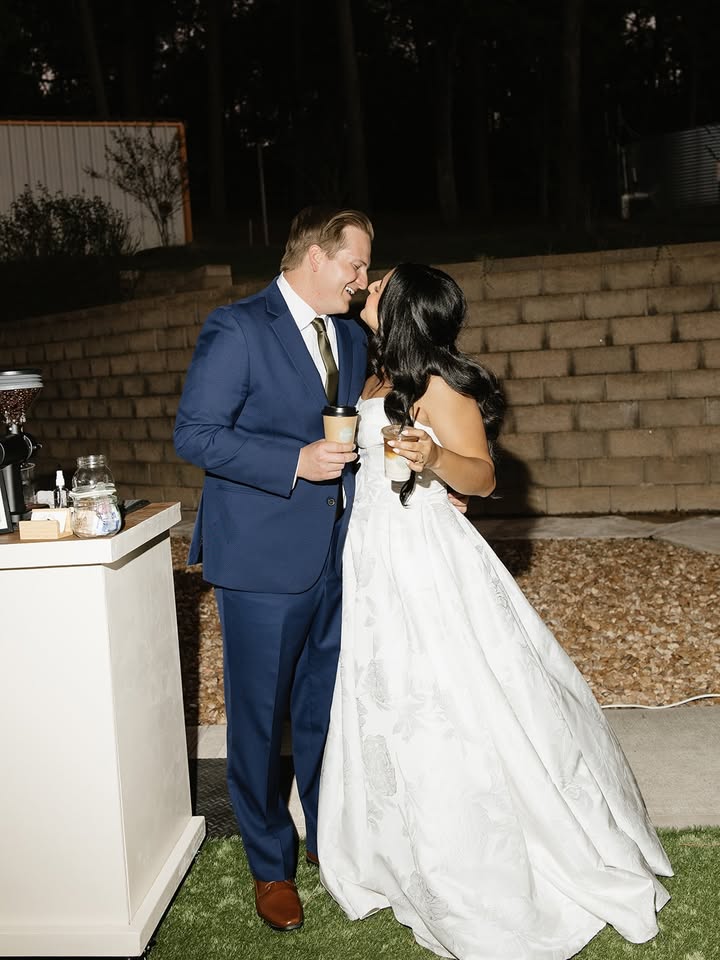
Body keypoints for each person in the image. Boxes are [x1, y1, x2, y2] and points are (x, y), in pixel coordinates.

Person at [317, 263, 673, 960]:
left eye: (382, 284)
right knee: (386, 692)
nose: (371, 287)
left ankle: (479, 853)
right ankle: (395, 844)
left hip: (422, 558)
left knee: (449, 695)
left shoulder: (441, 387)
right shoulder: (373, 378)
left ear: (404, 309)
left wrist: (434, 457)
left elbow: (482, 475)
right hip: (372, 555)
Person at [174, 207, 373, 932]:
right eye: (354, 265)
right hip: (259, 560)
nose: (362, 279)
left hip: (336, 555)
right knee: (259, 721)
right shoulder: (238, 326)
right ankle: (269, 863)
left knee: (324, 708)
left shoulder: (351, 333)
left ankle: (330, 837)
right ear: (315, 257)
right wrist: (293, 463)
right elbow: (194, 434)